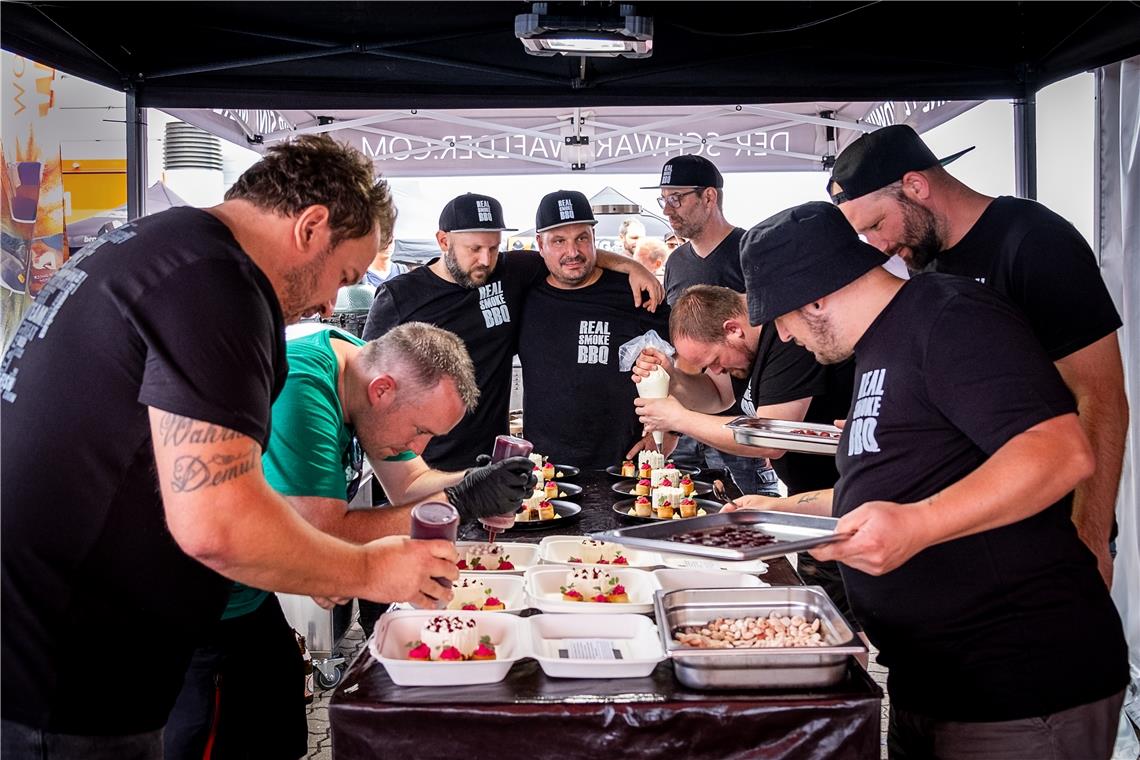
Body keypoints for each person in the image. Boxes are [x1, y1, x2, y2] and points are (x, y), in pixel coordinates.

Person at [0, 135, 460, 759]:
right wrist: (370, 569)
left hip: (60, 649)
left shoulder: (155, 245)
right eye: (344, 275)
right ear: (311, 226)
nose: (330, 303)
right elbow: (219, 525)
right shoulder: (217, 283)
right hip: (68, 678)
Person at [735, 202, 1127, 758]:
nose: (785, 337)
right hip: (931, 683)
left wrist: (920, 525)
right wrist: (776, 512)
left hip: (1018, 687)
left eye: (782, 319)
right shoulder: (876, 347)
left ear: (816, 298)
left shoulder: (949, 314)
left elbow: (1060, 452)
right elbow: (891, 485)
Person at [165, 322, 534, 760]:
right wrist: (459, 499)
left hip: (248, 594)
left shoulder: (369, 369)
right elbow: (322, 534)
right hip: (190, 608)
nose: (420, 444)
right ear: (382, 390)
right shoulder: (302, 389)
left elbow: (410, 482)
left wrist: (477, 484)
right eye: (420, 430)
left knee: (278, 730)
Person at [827, 124, 1127, 586]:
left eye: (875, 225)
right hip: (976, 532)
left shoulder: (1033, 242)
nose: (878, 246)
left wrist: (1089, 533)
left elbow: (1102, 397)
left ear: (916, 186)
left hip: (1049, 530)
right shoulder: (924, 262)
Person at [363, 193, 663, 472]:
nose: (485, 259)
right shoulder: (400, 296)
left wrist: (633, 268)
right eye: (474, 249)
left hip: (489, 460)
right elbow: (363, 383)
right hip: (422, 460)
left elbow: (571, 256)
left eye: (493, 247)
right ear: (443, 241)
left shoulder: (510, 272)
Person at [632, 284, 857, 624]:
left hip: (845, 496)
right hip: (811, 498)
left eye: (715, 361)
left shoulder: (785, 341)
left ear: (733, 329)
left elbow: (771, 439)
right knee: (827, 612)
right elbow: (716, 398)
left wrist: (677, 418)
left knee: (848, 617)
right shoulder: (740, 350)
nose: (718, 370)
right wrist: (673, 377)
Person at [643, 153, 777, 496]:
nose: (667, 209)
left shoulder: (753, 250)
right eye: (663, 199)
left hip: (746, 427)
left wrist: (774, 419)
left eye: (677, 198)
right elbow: (684, 353)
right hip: (689, 426)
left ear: (709, 196)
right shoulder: (675, 263)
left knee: (760, 533)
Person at [517, 190, 671, 469]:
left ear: (594, 238)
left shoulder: (634, 292)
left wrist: (669, 432)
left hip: (626, 464)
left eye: (582, 238)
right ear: (540, 244)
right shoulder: (523, 295)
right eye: (559, 241)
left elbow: (680, 364)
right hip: (546, 470)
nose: (572, 252)